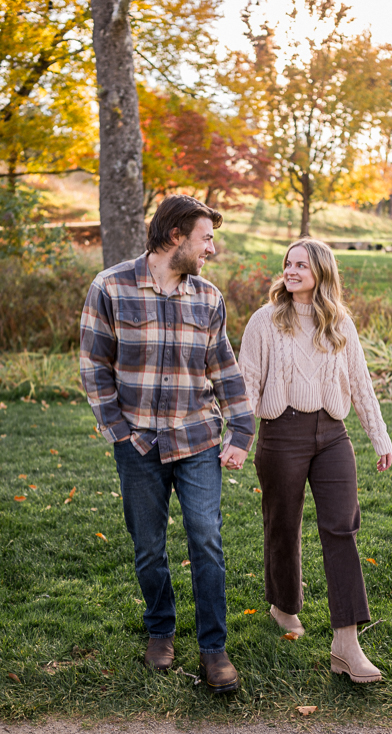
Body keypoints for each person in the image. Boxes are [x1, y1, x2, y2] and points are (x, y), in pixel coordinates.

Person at [79, 195, 255, 693]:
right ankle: (161, 630)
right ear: (176, 235)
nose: (212, 250)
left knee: (206, 540)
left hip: (197, 437)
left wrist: (241, 431)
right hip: (138, 445)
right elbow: (94, 369)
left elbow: (224, 370)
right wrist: (121, 432)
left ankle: (213, 647)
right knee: (149, 549)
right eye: (206, 238)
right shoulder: (110, 287)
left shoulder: (208, 298)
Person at [238, 238, 392, 683]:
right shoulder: (264, 322)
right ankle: (284, 605)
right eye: (287, 263)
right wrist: (240, 437)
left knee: (342, 529)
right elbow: (247, 383)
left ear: (321, 272)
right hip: (281, 434)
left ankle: (346, 644)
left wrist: (378, 435)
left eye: (301, 264)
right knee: (282, 525)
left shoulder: (340, 323)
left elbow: (360, 383)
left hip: (332, 436)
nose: (291, 270)